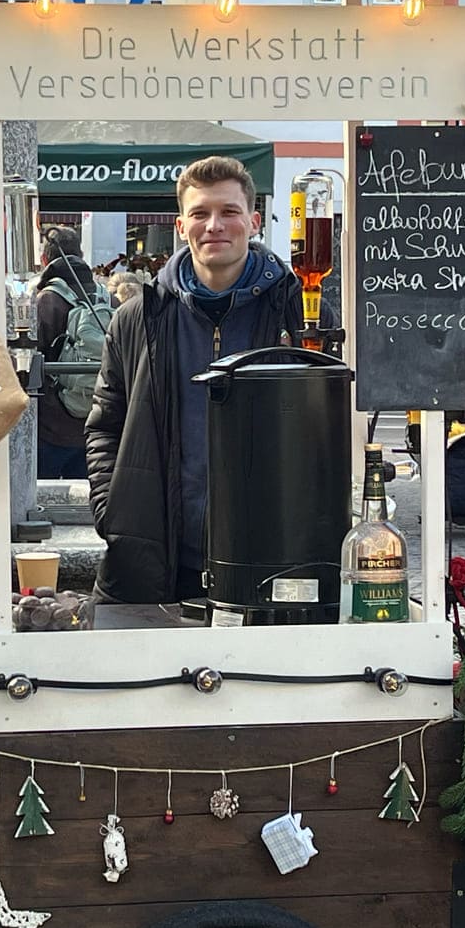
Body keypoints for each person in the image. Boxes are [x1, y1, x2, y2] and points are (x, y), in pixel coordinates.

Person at [85, 155, 303, 603]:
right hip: (154, 555)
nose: (214, 225)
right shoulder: (137, 318)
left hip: (273, 555)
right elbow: (105, 424)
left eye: (229, 212)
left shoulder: (298, 315)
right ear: (181, 226)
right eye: (200, 214)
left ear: (254, 221)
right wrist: (112, 510)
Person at [34, 226, 101, 479]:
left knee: (42, 502)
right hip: (95, 425)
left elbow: (30, 358)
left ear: (44, 259)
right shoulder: (106, 299)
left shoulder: (46, 301)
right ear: (81, 254)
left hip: (51, 427)